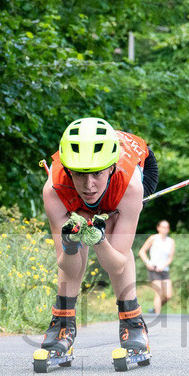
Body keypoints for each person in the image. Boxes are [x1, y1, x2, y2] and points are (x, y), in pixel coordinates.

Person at [39, 117, 159, 359]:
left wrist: (100, 240)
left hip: (139, 164)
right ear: (69, 170)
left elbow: (117, 264)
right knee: (77, 225)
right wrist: (70, 244)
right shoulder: (53, 190)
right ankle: (62, 323)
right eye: (80, 175)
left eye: (96, 174)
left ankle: (133, 323)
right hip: (76, 188)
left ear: (111, 168)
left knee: (112, 229)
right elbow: (67, 265)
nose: (89, 185)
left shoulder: (130, 187)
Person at [138, 220, 175, 314]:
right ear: (158, 228)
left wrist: (163, 265)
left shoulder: (171, 241)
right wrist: (147, 262)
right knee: (158, 292)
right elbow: (142, 251)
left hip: (164, 270)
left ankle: (155, 309)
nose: (165, 229)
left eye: (167, 227)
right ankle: (157, 315)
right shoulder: (153, 238)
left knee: (168, 295)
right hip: (153, 269)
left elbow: (170, 258)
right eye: (163, 227)